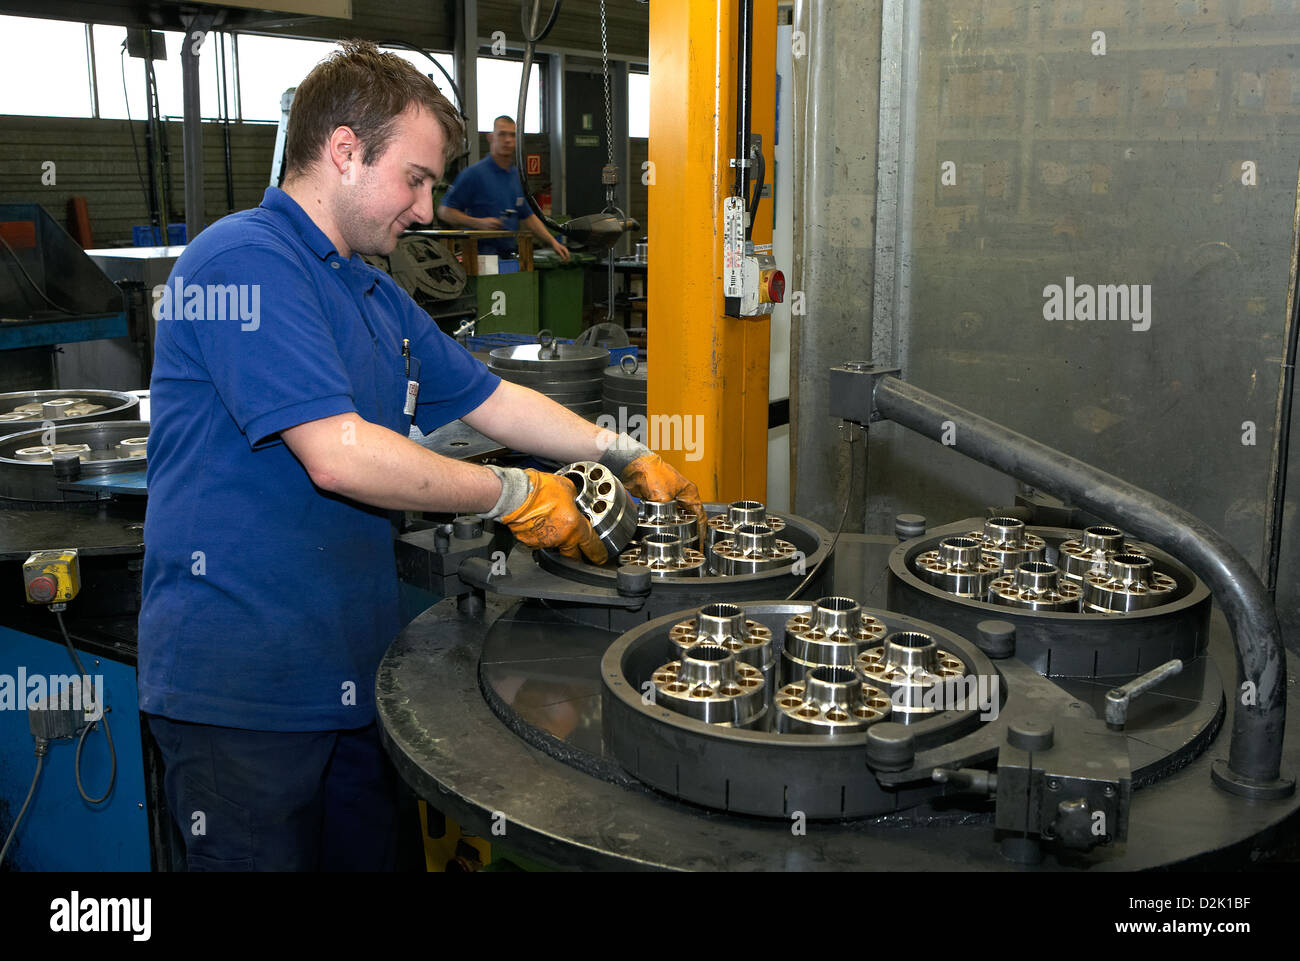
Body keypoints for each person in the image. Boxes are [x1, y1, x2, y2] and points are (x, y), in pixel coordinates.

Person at [137, 40, 700, 871]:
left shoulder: (370, 290)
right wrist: (516, 493)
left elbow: (491, 397)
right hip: (243, 696)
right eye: (417, 179)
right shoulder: (244, 262)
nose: (430, 209)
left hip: (356, 679)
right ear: (343, 150)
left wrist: (623, 449)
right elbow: (338, 454)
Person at [437, 114, 570, 262]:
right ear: (491, 137)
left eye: (512, 135)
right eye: (502, 134)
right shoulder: (474, 175)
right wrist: (478, 222)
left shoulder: (516, 177)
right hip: (480, 258)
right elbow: (444, 212)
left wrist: (552, 242)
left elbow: (528, 217)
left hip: (510, 257)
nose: (507, 140)